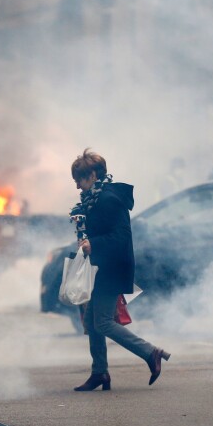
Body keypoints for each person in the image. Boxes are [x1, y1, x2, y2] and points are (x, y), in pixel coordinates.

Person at [69, 149, 170, 391]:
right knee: (93, 322)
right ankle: (100, 373)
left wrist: (94, 243)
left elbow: (122, 235)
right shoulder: (94, 198)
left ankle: (151, 353)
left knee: (102, 322)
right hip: (102, 265)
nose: (77, 187)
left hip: (112, 267)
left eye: (79, 180)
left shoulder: (109, 199)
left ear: (92, 175)